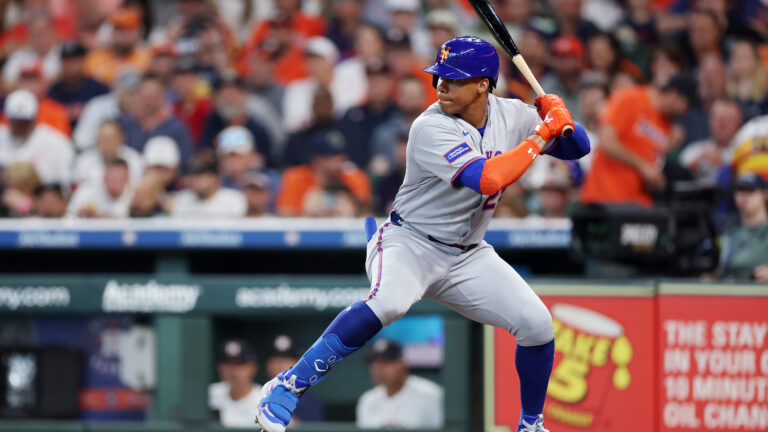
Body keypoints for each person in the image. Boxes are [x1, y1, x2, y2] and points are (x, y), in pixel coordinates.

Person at [255, 36, 590, 432]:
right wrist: (541, 135)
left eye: (453, 79)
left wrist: (560, 118)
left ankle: (531, 424)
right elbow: (488, 179)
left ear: (483, 85)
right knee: (389, 303)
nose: (441, 86)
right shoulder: (430, 126)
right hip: (411, 242)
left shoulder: (512, 114)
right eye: (439, 77)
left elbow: (578, 149)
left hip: (468, 254)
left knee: (537, 325)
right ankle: (288, 384)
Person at [580, 73, 691, 206]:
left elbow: (650, 163)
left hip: (638, 202)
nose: (686, 112)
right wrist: (643, 166)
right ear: (674, 95)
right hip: (605, 197)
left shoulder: (668, 124)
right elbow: (606, 140)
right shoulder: (630, 98)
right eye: (687, 105)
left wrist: (655, 175)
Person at [276, 131, 371, 217]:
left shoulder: (355, 177)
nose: (340, 161)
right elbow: (285, 215)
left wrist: (352, 208)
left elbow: (368, 214)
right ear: (316, 159)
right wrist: (308, 214)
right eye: (332, 156)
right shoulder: (296, 177)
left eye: (342, 155)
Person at [355, 339, 443, 429]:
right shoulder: (367, 400)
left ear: (403, 364)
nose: (378, 368)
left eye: (385, 362)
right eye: (373, 363)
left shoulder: (431, 395)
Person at [0, 89, 73, 186]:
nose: (19, 126)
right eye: (15, 121)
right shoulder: (2, 135)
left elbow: (62, 183)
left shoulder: (57, 143)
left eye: (24, 122)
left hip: (39, 191)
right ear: (8, 119)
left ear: (34, 119)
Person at [46, 41, 110, 129]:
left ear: (83, 61)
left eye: (74, 60)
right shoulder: (54, 91)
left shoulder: (98, 89)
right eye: (67, 61)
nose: (70, 65)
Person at [680, 99, 744, 185]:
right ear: (710, 121)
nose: (722, 125)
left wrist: (723, 166)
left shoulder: (744, 151)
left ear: (739, 123)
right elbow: (680, 170)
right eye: (718, 120)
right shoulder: (696, 149)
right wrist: (697, 162)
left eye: (728, 120)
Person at [718, 172, 768, 281]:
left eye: (750, 191)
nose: (744, 197)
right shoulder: (729, 233)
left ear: (765, 194)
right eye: (740, 191)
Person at [263, 335, 324, 423]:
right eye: (274, 360)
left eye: (285, 360)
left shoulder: (309, 403)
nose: (278, 365)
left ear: (297, 363)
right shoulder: (256, 395)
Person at [83, 7, 151, 85]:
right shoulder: (95, 57)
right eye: (117, 29)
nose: (120, 35)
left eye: (126, 30)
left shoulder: (146, 57)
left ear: (137, 32)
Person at [209, 339, 263, 429]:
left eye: (240, 363)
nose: (233, 369)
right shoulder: (209, 394)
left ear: (253, 368)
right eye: (228, 363)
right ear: (220, 367)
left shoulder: (267, 401)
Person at [72, 120, 144, 186]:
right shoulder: (84, 161)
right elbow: (76, 187)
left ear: (121, 138)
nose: (107, 143)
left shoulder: (134, 160)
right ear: (97, 141)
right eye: (103, 139)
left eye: (111, 138)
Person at [170, 159, 246, 218]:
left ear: (214, 178)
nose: (195, 181)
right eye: (193, 176)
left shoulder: (235, 200)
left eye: (201, 176)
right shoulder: (180, 200)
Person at [66, 158, 133, 218]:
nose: (115, 183)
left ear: (127, 179)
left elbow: (126, 220)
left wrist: (97, 217)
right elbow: (70, 214)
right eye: (112, 178)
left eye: (119, 179)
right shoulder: (87, 191)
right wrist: (82, 213)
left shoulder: (133, 195)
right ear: (104, 177)